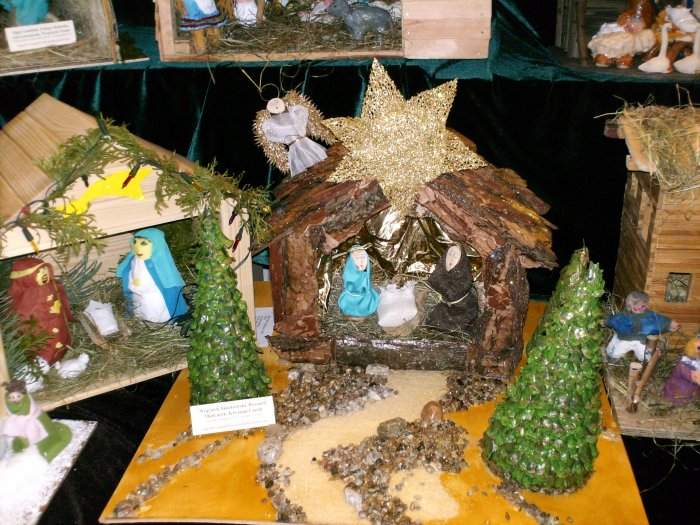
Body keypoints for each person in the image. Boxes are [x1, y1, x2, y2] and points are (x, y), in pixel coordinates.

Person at [8, 258, 73, 366]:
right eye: (39, 272)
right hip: (41, 334)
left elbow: (60, 298)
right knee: (44, 346)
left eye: (44, 270)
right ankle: (44, 362)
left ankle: (62, 350)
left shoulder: (52, 285)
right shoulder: (29, 295)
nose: (44, 274)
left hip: (59, 327)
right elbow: (25, 314)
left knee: (60, 338)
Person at [116, 228, 188, 323]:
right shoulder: (134, 260)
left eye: (143, 243)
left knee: (153, 312)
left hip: (153, 298)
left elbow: (167, 279)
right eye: (135, 242)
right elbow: (129, 272)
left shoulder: (158, 262)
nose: (137, 247)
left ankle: (157, 321)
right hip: (137, 296)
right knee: (139, 310)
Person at [606, 290, 679, 361]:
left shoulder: (649, 316)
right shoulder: (624, 315)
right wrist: (607, 321)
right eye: (633, 304)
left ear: (646, 305)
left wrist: (669, 324)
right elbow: (615, 320)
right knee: (615, 353)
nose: (638, 307)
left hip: (641, 340)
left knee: (645, 357)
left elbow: (658, 322)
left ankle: (649, 359)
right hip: (624, 339)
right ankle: (612, 359)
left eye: (642, 305)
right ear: (628, 305)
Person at [338, 246, 379, 318]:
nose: (361, 261)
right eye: (357, 258)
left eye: (363, 257)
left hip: (366, 300)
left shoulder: (366, 272)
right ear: (351, 261)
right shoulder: (349, 275)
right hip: (350, 301)